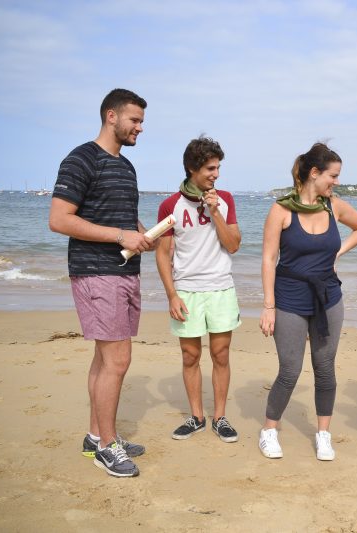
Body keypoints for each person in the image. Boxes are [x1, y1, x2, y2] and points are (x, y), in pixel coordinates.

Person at [49, 88, 152, 478]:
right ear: (111, 116)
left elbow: (124, 219)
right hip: (96, 271)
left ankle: (96, 436)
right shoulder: (80, 159)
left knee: (104, 358)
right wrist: (120, 237)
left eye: (141, 122)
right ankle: (108, 447)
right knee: (119, 360)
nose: (139, 128)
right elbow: (59, 219)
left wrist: (145, 234)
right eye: (135, 120)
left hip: (125, 271)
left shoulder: (125, 167)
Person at [258, 142, 357, 461]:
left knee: (325, 369)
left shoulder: (333, 206)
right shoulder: (281, 209)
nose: (336, 182)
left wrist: (338, 252)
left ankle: (323, 434)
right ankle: (269, 430)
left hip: (328, 299)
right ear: (315, 173)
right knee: (290, 370)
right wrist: (268, 306)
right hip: (289, 299)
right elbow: (268, 259)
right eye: (333, 176)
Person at [155, 136, 242, 444]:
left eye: (218, 168)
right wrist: (171, 294)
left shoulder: (226, 199)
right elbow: (163, 254)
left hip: (220, 288)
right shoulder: (170, 205)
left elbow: (232, 245)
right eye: (210, 168)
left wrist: (215, 210)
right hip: (187, 291)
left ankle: (220, 418)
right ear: (193, 168)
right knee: (190, 356)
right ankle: (197, 417)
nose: (216, 174)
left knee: (220, 354)